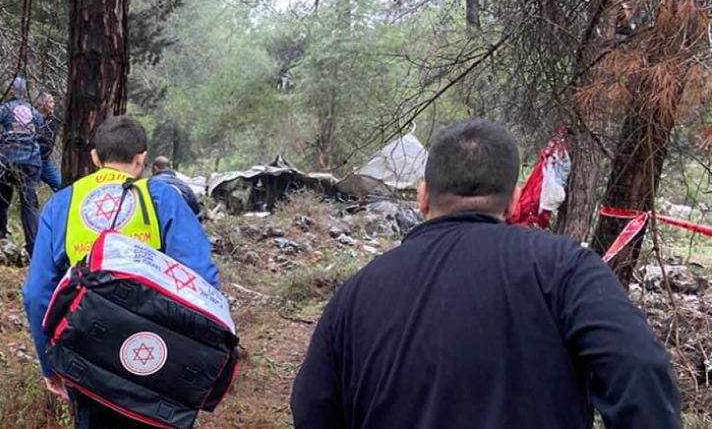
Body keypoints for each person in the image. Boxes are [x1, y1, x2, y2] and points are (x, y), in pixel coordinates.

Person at [290, 119, 682, 429]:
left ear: (423, 196)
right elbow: (639, 369)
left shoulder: (357, 292)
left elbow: (313, 407)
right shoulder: (567, 269)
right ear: (513, 202)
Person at [22, 115, 219, 429]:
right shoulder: (163, 199)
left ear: (96, 158)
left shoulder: (62, 205)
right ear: (141, 158)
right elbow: (203, 282)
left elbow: (36, 295)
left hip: (86, 360)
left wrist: (51, 366)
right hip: (159, 358)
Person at [0, 77, 44, 253]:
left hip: (7, 163)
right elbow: (43, 138)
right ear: (25, 92)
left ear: (10, 91)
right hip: (31, 163)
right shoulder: (35, 113)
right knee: (29, 204)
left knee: (1, 201)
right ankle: (33, 247)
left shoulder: (2, 111)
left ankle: (1, 239)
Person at [36, 92, 63, 192]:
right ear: (43, 103)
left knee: (60, 185)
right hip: (32, 160)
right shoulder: (32, 117)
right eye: (50, 102)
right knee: (30, 191)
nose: (53, 104)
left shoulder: (53, 120)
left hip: (45, 160)